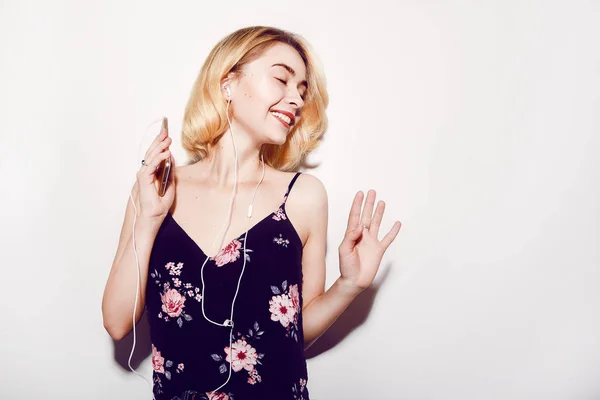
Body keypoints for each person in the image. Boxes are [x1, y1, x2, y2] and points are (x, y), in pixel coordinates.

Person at [102, 26, 402, 400]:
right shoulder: (157, 188)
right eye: (282, 79)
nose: (295, 99)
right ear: (228, 82)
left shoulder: (303, 197)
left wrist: (349, 286)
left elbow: (295, 329)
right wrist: (147, 218)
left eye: (302, 91)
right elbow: (116, 324)